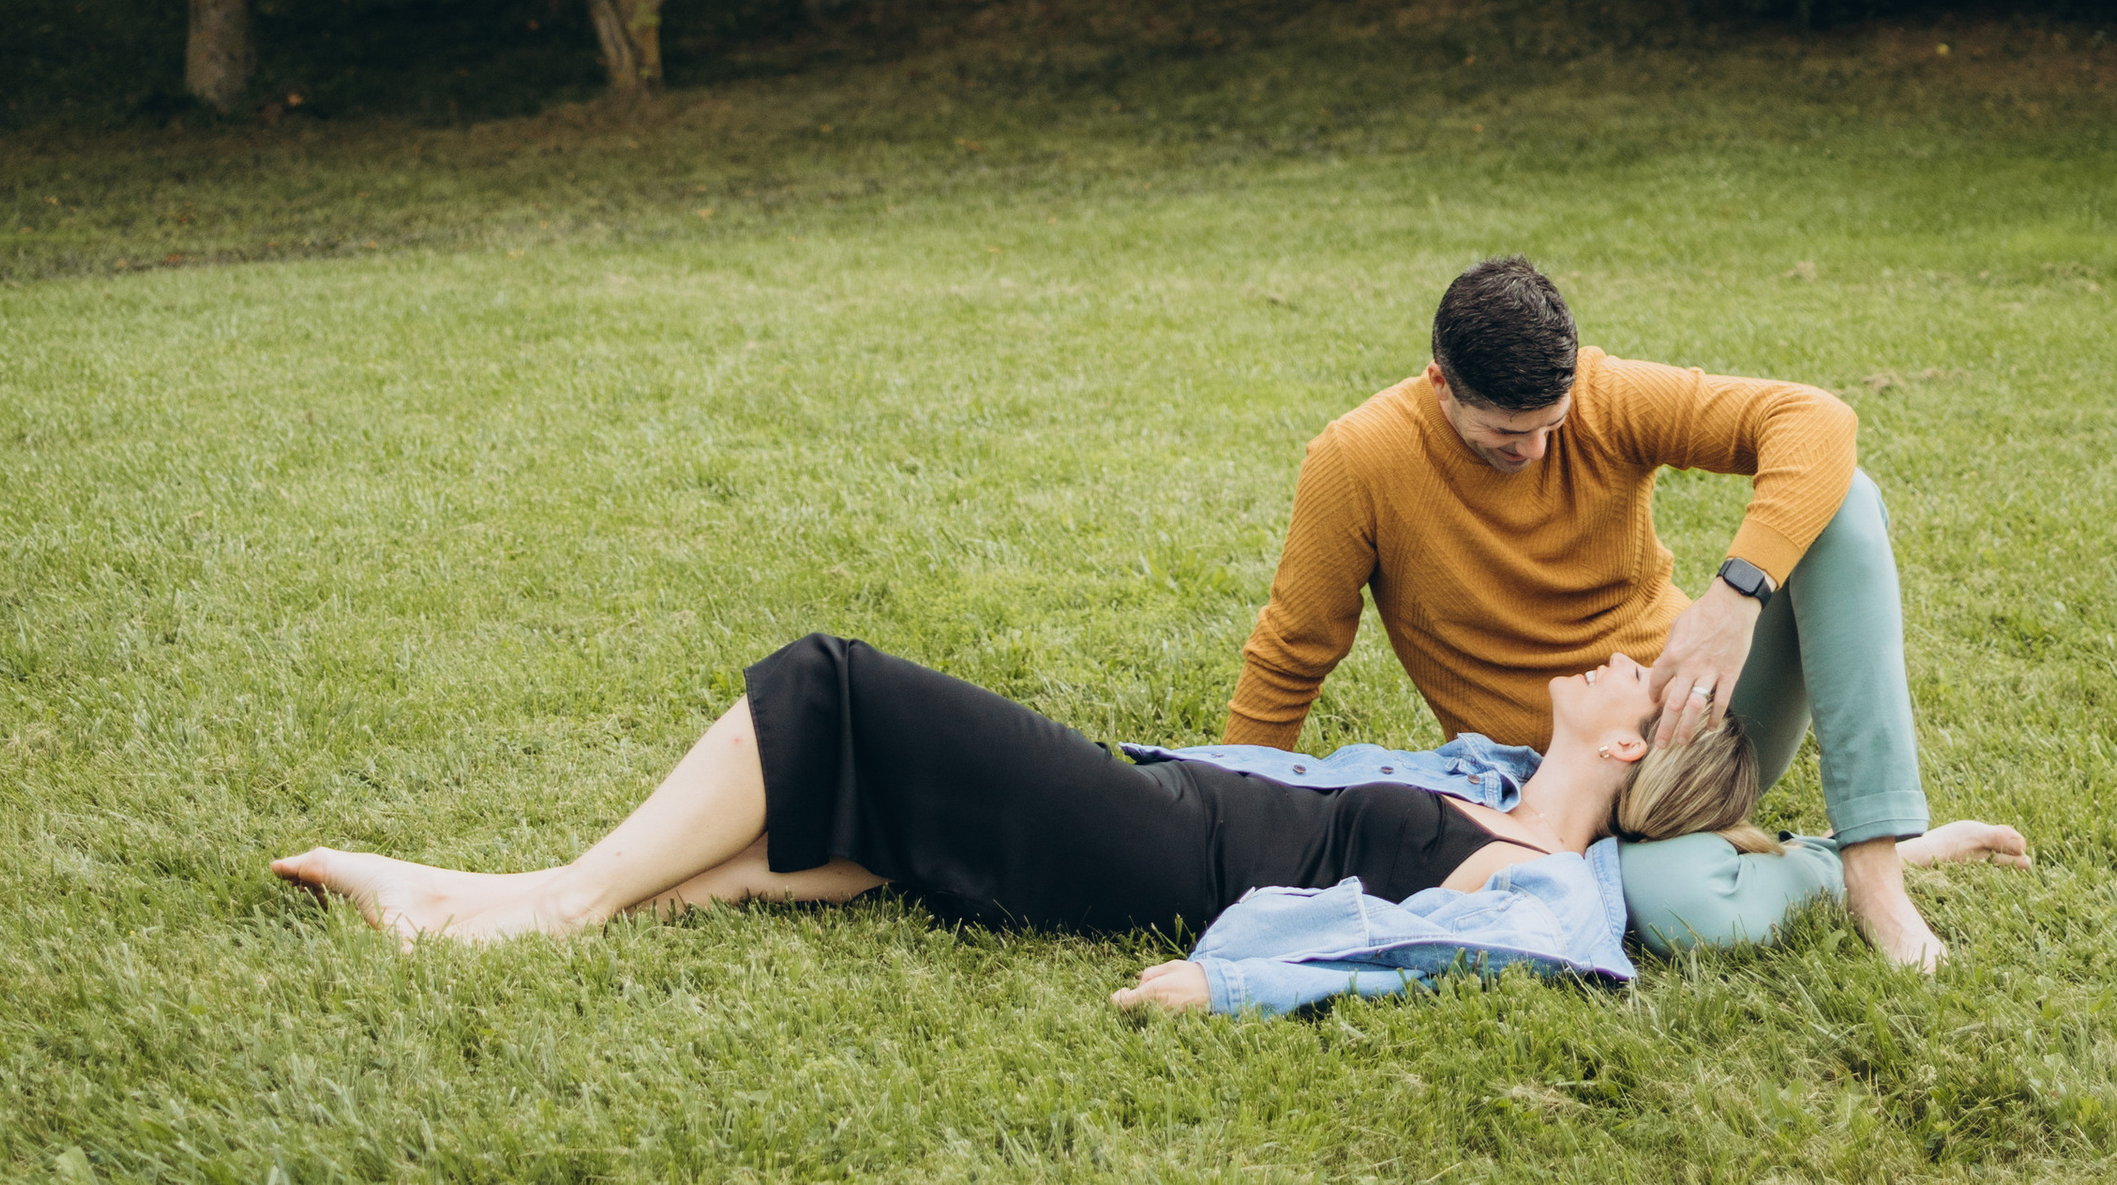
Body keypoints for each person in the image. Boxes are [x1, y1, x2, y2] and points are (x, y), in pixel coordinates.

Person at [271, 631, 1865, 1004]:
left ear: (1638, 747)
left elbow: (1406, 954)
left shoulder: (1547, 886)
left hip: (1156, 856)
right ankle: (500, 894)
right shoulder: (1485, 784)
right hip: (1158, 802)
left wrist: (1224, 983)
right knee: (856, 833)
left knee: (832, 683)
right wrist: (1896, 845)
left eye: (1636, 675)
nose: (1616, 656)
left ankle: (540, 901)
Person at [1224, 251, 2018, 969]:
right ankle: (1830, 858)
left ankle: (1877, 872)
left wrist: (1734, 601)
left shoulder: (1606, 396)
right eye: (1506, 434)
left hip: (1695, 729)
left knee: (1847, 498)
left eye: (1552, 425)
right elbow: (1293, 652)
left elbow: (1817, 419)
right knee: (1689, 908)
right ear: (1440, 384)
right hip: (1561, 796)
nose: (1534, 452)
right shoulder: (1356, 460)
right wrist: (1228, 815)